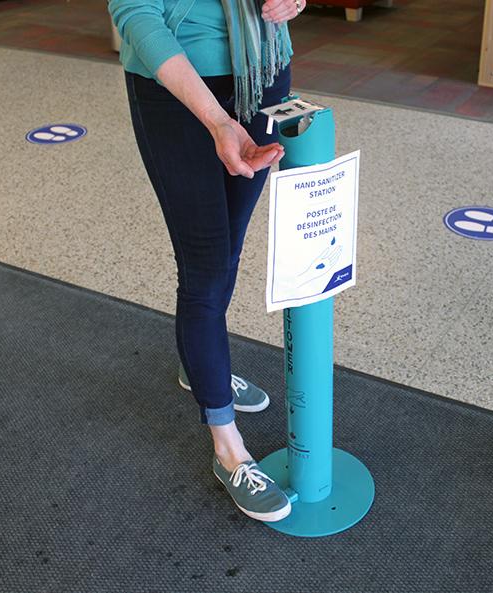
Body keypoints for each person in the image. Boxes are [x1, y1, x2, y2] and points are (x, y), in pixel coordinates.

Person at [108, 0, 306, 523]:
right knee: (205, 264)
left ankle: (202, 367)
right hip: (177, 89)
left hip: (263, 74)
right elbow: (135, 15)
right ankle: (228, 450)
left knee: (229, 245)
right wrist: (218, 121)